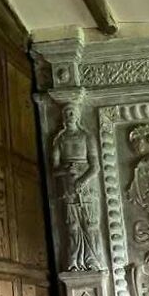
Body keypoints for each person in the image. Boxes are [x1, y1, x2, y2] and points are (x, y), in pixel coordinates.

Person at [52, 102, 104, 270]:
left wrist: (83, 179)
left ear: (78, 116)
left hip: (87, 186)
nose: (70, 116)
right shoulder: (59, 140)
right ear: (63, 117)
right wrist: (65, 170)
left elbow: (95, 166)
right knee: (72, 226)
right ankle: (73, 262)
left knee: (90, 225)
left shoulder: (87, 137)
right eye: (67, 113)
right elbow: (54, 169)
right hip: (68, 187)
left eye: (72, 113)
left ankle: (93, 261)